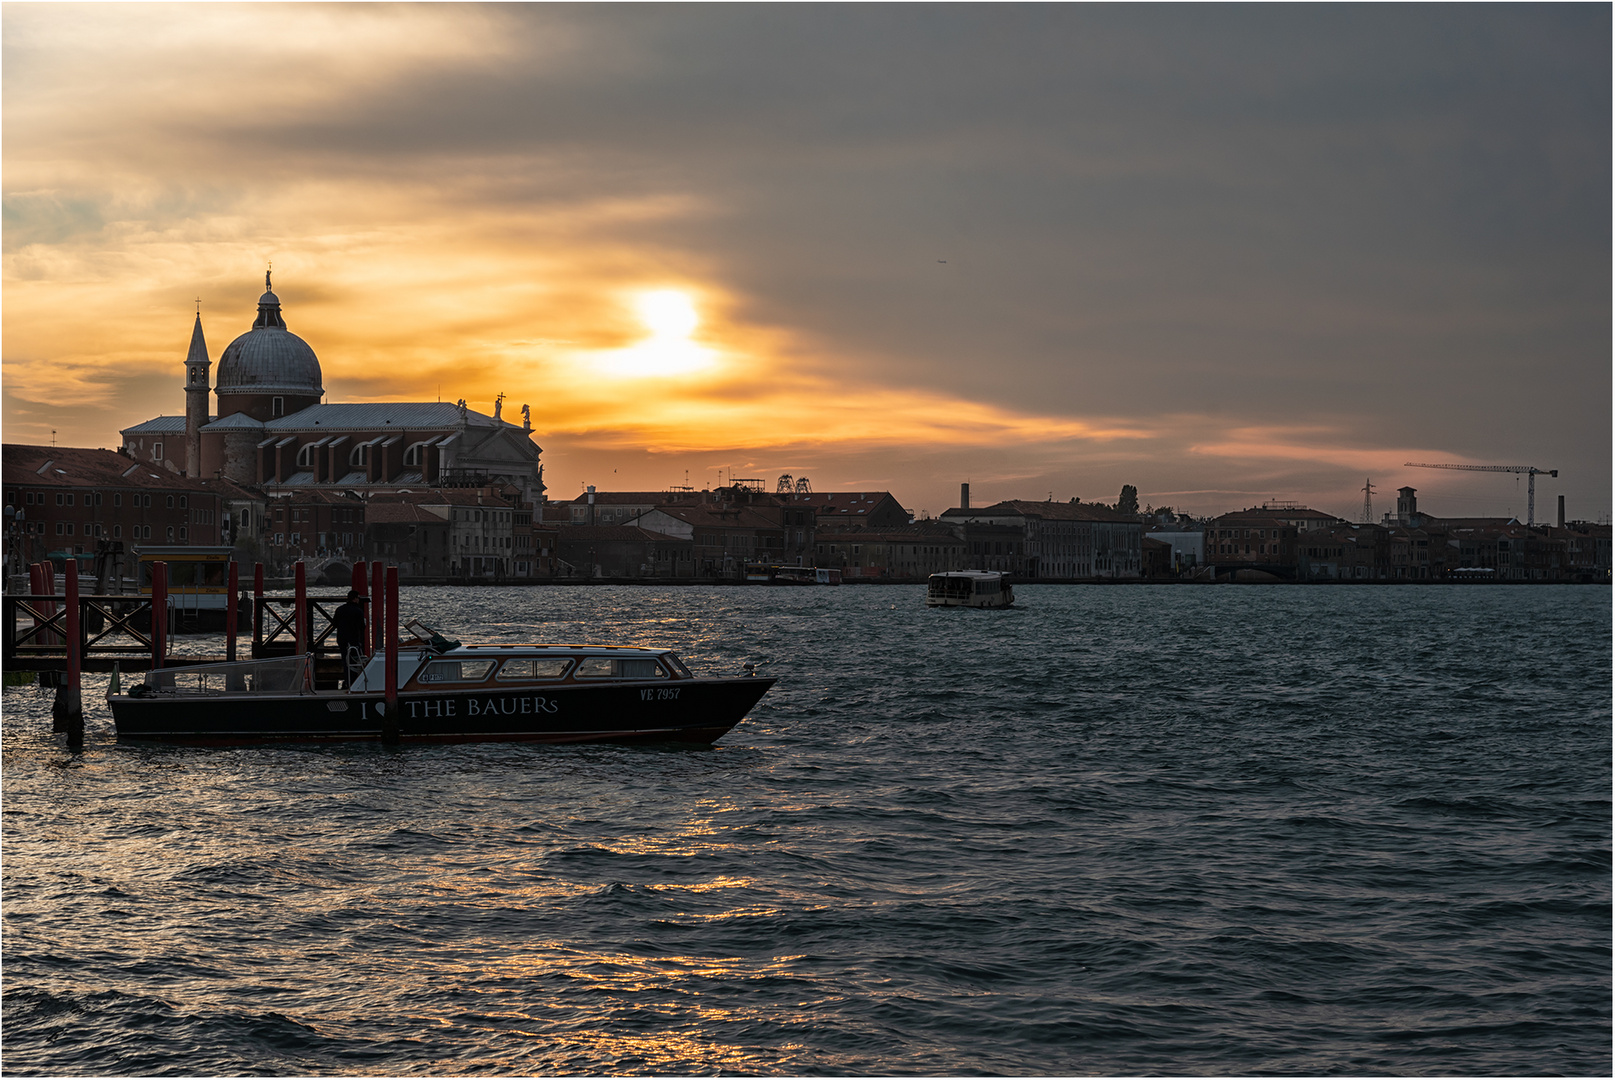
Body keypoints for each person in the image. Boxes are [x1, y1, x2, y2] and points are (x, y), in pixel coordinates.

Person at [332, 588, 369, 688]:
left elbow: (334, 623)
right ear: (355, 599)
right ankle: (355, 681)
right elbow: (362, 627)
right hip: (353, 639)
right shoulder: (358, 611)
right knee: (355, 660)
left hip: (342, 638)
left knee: (345, 660)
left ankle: (347, 680)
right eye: (358, 598)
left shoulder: (339, 609)